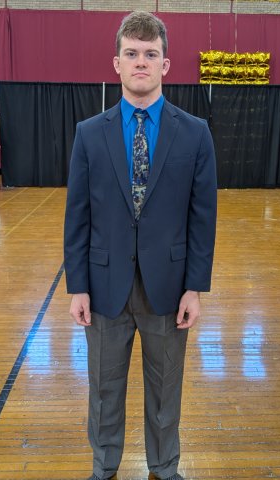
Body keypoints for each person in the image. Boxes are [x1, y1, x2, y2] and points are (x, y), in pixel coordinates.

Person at [64, 11, 217, 480]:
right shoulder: (90, 134)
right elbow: (78, 215)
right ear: (116, 62)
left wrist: (194, 288)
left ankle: (165, 468)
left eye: (151, 54)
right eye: (131, 53)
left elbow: (202, 219)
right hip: (105, 286)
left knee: (165, 390)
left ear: (166, 65)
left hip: (168, 291)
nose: (141, 62)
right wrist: (78, 287)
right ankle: (105, 467)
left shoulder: (194, 133)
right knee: (105, 391)